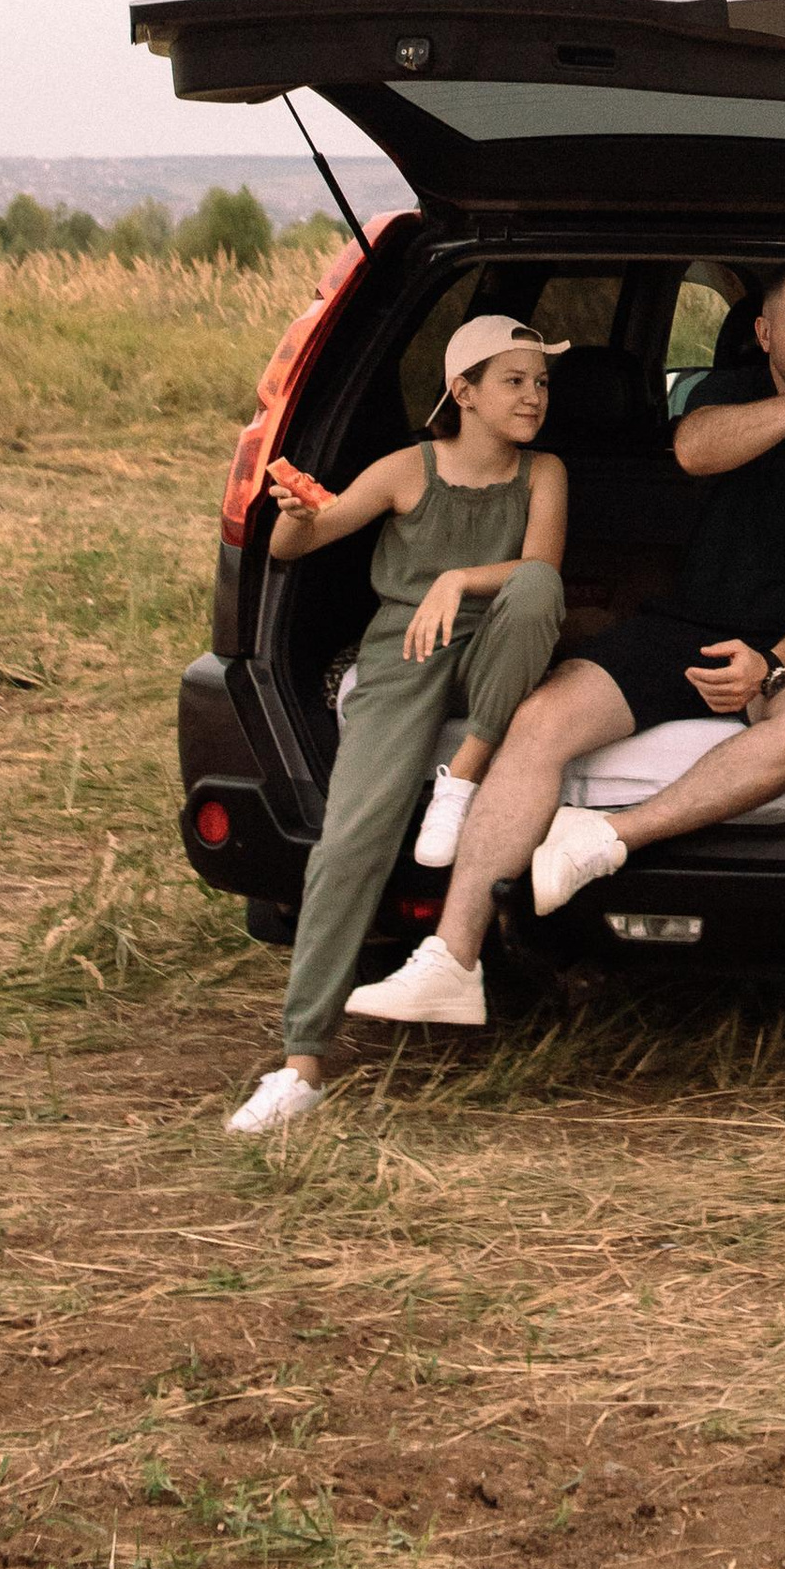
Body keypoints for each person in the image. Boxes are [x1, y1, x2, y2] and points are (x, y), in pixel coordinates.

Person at [346, 254, 785, 1030]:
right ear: (764, 334)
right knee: (540, 719)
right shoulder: (730, 395)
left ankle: (607, 836)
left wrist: (774, 665)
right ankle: (449, 961)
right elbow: (698, 450)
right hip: (686, 626)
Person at [225, 314, 570, 1139]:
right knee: (353, 837)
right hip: (403, 653)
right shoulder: (407, 471)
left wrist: (458, 576)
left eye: (543, 382)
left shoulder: (544, 471)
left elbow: (541, 568)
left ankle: (465, 776)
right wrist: (298, 513)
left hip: (497, 643)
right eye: (515, 380)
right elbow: (292, 548)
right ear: (465, 392)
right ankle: (302, 1060)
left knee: (534, 593)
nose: (534, 396)